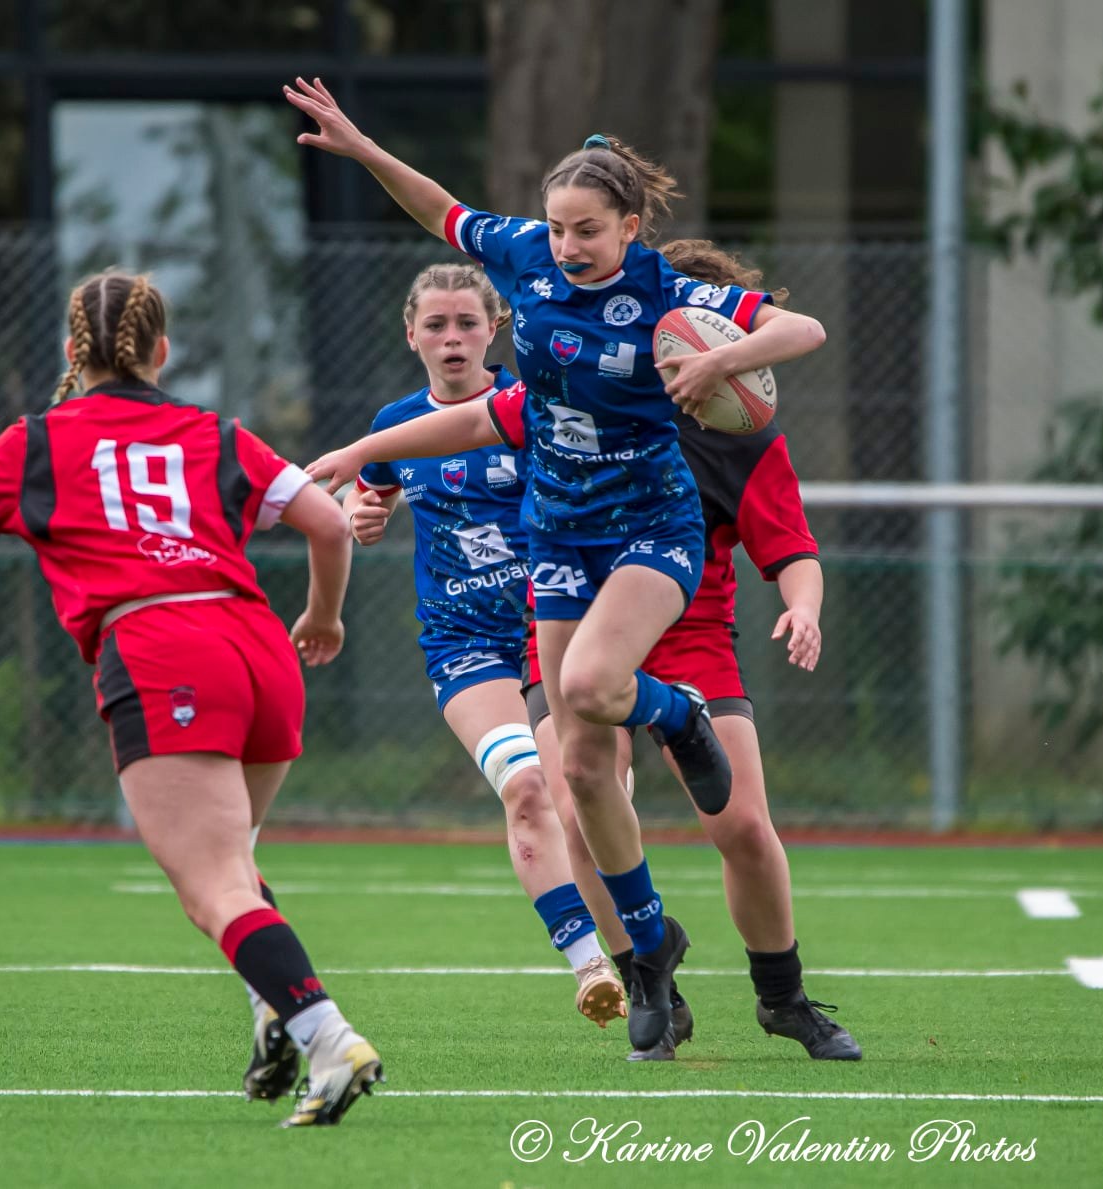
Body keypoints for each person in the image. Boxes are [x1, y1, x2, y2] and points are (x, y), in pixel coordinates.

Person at [284, 76, 828, 1056]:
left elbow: (803, 332)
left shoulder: (665, 300)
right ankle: (647, 950)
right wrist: (361, 149)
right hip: (560, 537)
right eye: (558, 228)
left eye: (588, 230)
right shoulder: (528, 263)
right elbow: (442, 224)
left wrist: (716, 363)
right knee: (574, 769)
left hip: (650, 534)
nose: (568, 245)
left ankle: (690, 749)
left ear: (629, 228)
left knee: (597, 697)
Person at [0, 272, 382, 1126]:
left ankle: (330, 1040)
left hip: (163, 650)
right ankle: (276, 1015)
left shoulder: (35, 441)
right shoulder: (216, 432)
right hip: (258, 646)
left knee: (212, 887)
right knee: (234, 862)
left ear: (73, 351)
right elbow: (328, 523)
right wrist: (322, 617)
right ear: (161, 351)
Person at [520, 241, 862, 1061]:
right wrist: (378, 474)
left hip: (688, 634)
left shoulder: (741, 432)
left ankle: (783, 997)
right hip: (572, 620)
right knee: (577, 800)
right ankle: (652, 983)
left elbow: (791, 546)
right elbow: (480, 432)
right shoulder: (578, 390)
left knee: (742, 821)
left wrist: (804, 608)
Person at [342, 262, 624, 1027]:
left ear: (494, 328)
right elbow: (367, 492)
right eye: (435, 324)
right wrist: (362, 514)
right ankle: (589, 963)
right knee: (525, 788)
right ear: (411, 334)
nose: (452, 338)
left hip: (549, 628)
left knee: (579, 799)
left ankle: (644, 951)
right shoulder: (397, 426)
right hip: (463, 642)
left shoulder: (531, 408)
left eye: (467, 322)